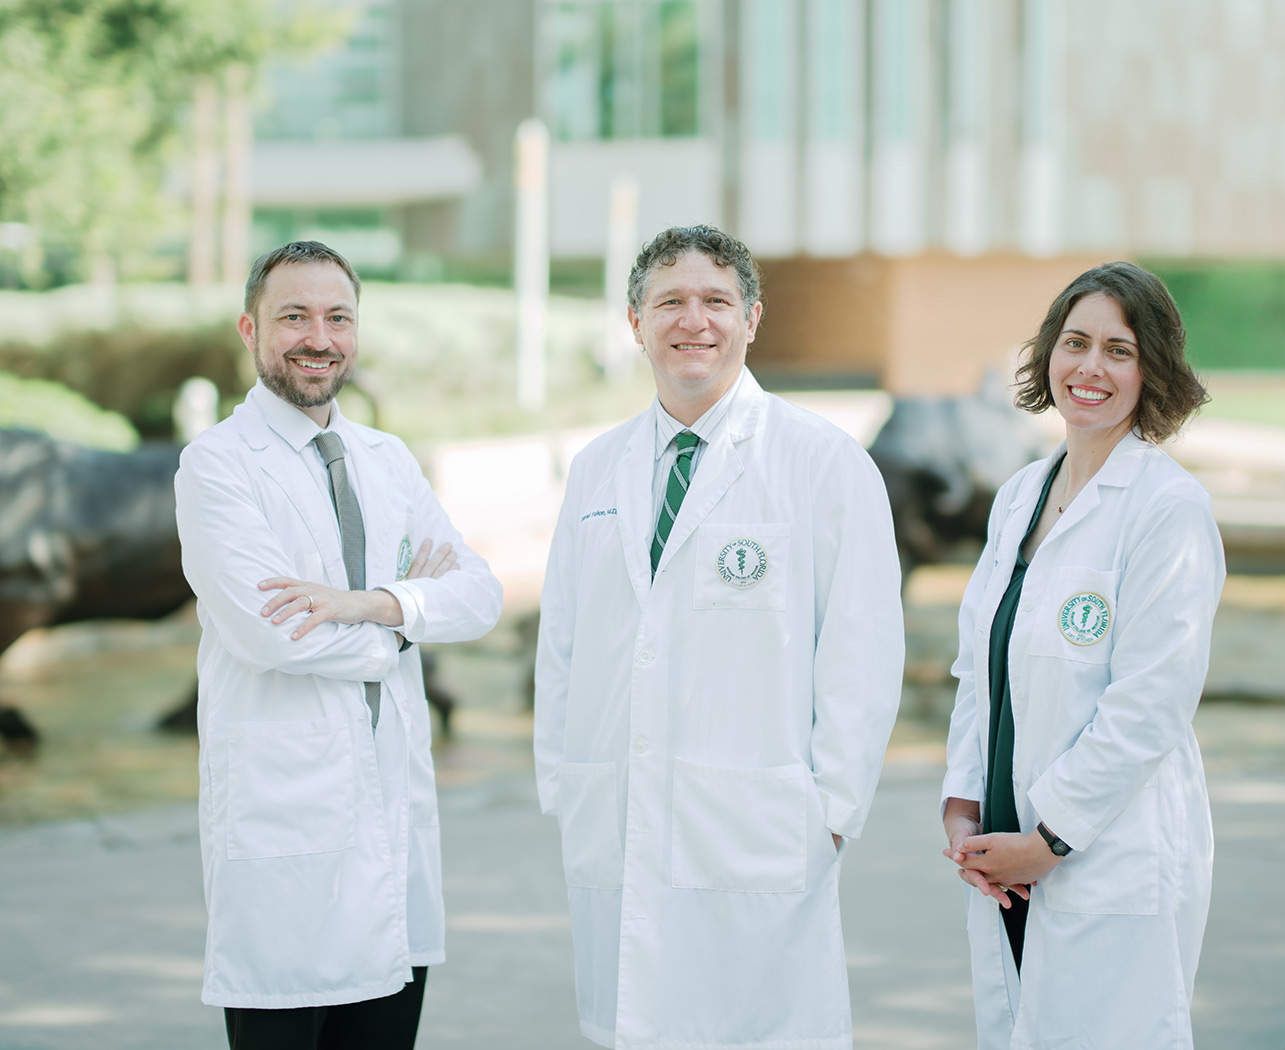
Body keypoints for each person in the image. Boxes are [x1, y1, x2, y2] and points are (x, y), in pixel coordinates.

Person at [533, 225, 905, 1050]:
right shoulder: (598, 468)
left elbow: (862, 652)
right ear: (636, 323)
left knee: (754, 1030)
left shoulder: (823, 463)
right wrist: (566, 784)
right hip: (620, 820)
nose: (691, 321)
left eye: (714, 302)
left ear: (752, 318)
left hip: (761, 832)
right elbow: (563, 639)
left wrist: (831, 811)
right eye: (669, 302)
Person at [175, 240, 503, 1049]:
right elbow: (273, 633)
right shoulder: (217, 466)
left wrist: (364, 604)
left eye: (338, 317)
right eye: (294, 316)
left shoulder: (386, 460)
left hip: (391, 822)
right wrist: (406, 626)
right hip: (283, 826)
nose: (318, 337)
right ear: (250, 329)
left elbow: (482, 596)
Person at [940, 261, 1225, 1047]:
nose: (1090, 368)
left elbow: (1149, 706)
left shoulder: (1169, 510)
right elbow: (980, 670)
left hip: (1101, 851)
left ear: (1153, 371)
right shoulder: (1018, 497)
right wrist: (963, 804)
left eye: (1118, 350)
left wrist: (1051, 839)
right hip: (1004, 844)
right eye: (1074, 343)